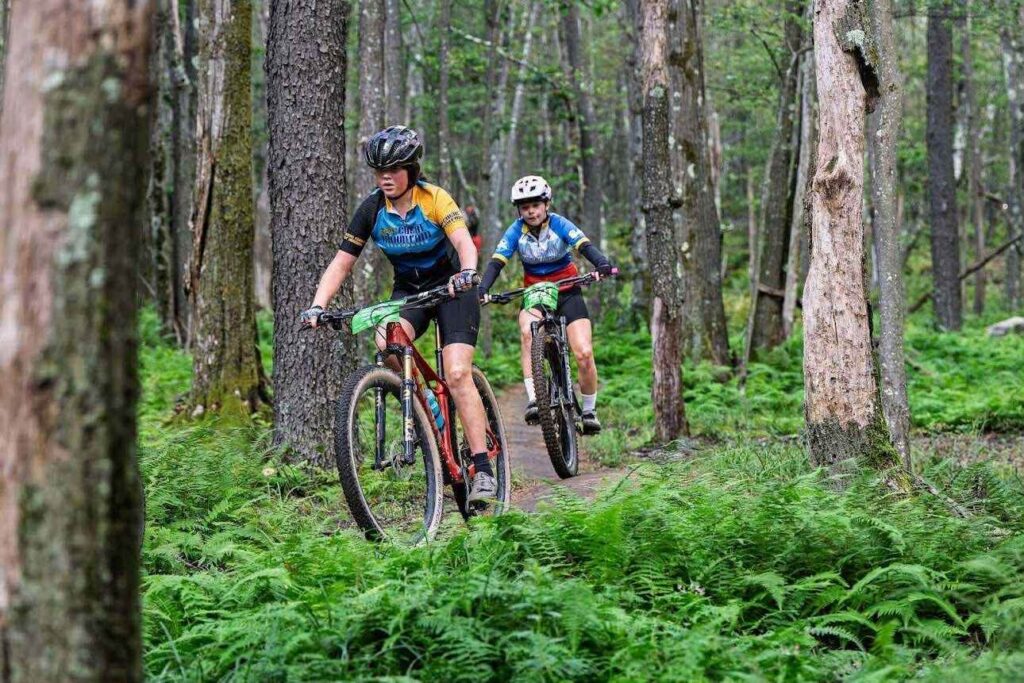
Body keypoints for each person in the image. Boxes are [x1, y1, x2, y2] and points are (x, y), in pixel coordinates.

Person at [301, 126, 496, 502]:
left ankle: (483, 468)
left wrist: (468, 273)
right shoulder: (372, 209)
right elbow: (341, 263)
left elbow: (462, 242)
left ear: (411, 169)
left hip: (453, 288)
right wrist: (318, 305)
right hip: (411, 291)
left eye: (393, 170)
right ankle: (425, 410)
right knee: (385, 340)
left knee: (456, 373)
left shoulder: (435, 198)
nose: (385, 178)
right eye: (379, 171)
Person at [479, 175, 614, 434]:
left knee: (584, 353)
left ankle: (589, 410)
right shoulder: (516, 230)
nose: (530, 211)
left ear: (546, 204)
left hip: (567, 291)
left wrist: (602, 263)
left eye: (535, 205)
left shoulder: (560, 224)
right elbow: (497, 261)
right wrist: (483, 288)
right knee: (527, 333)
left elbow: (583, 245)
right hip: (536, 294)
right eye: (524, 206)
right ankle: (534, 399)